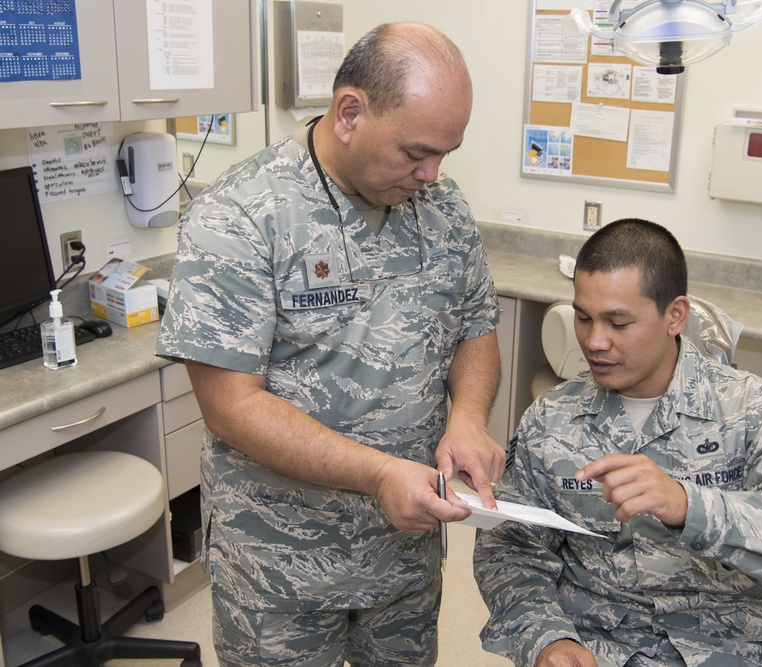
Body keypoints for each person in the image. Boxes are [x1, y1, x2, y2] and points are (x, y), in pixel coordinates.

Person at [156, 22, 505, 667]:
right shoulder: (241, 214)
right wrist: (378, 474)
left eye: (444, 155)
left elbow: (475, 330)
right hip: (280, 568)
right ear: (350, 113)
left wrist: (467, 418)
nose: (430, 174)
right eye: (415, 152)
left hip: (404, 553)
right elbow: (231, 405)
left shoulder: (443, 209)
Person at [473, 218, 762, 667]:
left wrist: (690, 506)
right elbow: (512, 548)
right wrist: (546, 639)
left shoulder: (749, 410)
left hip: (738, 646)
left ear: (675, 315)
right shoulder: (551, 418)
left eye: (619, 322)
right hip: (602, 648)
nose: (594, 341)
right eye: (583, 318)